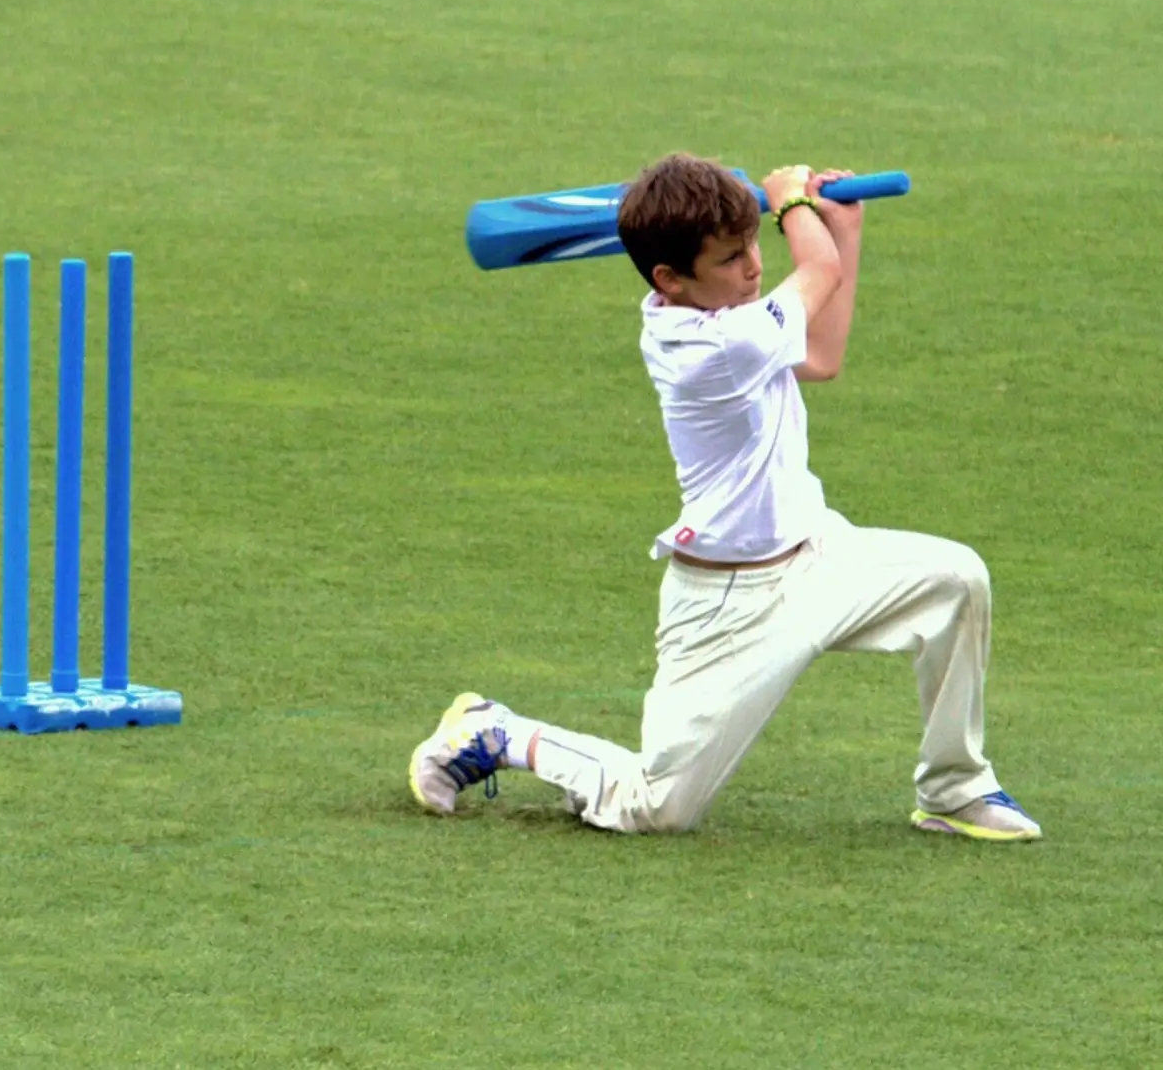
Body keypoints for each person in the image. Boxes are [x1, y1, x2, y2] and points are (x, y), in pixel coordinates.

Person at [408, 154, 1040, 841]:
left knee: (957, 581)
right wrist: (794, 205)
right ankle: (497, 732)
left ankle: (954, 789)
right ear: (669, 278)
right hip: (730, 604)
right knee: (655, 806)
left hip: (818, 556)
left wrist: (843, 228)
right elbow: (818, 272)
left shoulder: (728, 312)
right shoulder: (714, 346)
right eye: (731, 257)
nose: (753, 267)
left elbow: (822, 356)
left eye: (754, 245)